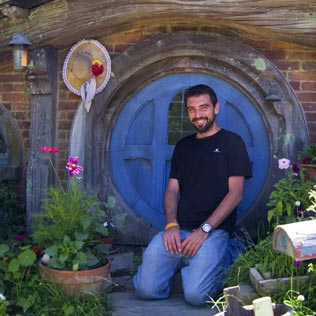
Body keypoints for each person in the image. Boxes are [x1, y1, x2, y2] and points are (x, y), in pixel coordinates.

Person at [133, 84, 253, 306]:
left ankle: (231, 253)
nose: (198, 115)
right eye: (192, 109)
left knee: (197, 296)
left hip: (214, 232)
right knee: (145, 290)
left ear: (216, 108)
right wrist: (171, 225)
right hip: (179, 231)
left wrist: (204, 230)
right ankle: (186, 262)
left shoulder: (232, 143)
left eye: (204, 107)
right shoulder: (184, 146)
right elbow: (172, 190)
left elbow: (235, 194)